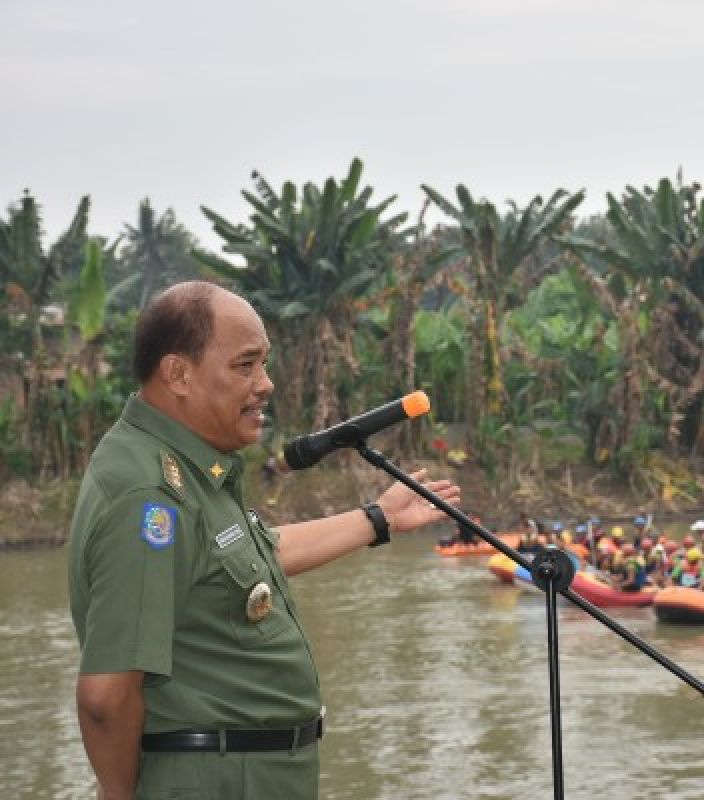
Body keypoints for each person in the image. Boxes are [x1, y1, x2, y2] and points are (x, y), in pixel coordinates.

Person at [66, 282, 461, 800]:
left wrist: (378, 519)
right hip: (218, 778)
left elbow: (252, 556)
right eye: (245, 365)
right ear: (178, 373)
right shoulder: (150, 495)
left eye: (264, 365)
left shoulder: (188, 468)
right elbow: (105, 695)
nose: (266, 384)